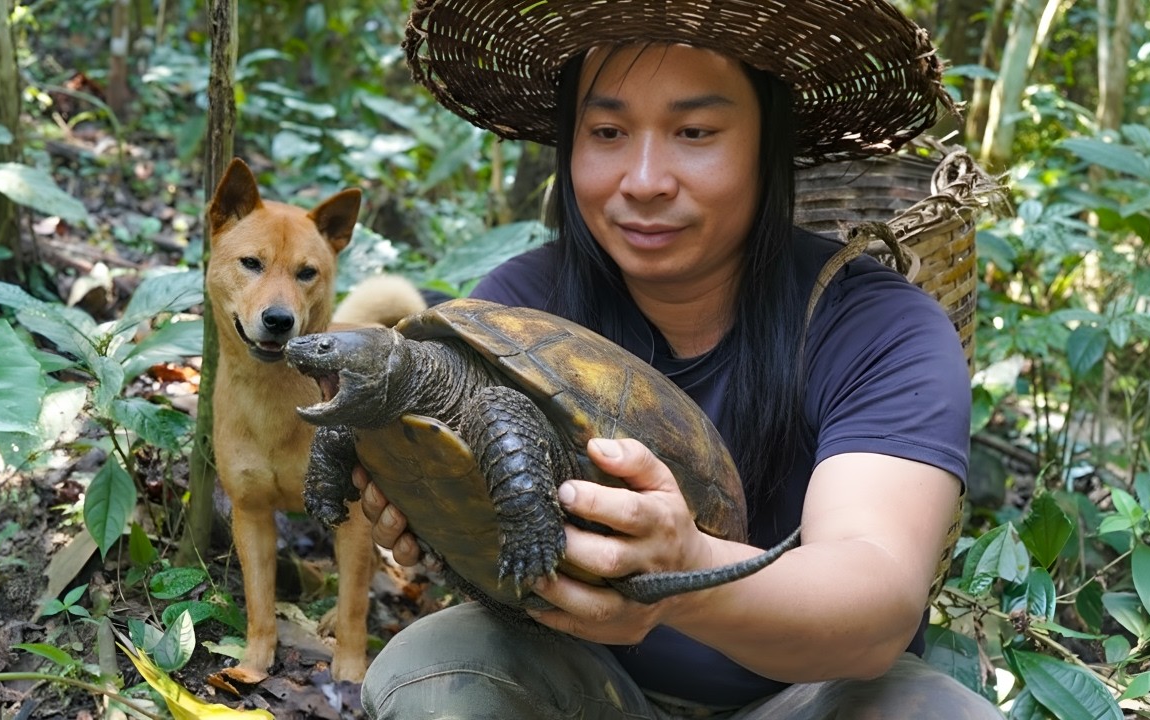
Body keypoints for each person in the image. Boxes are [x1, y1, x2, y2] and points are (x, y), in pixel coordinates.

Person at [350, 0, 1002, 717]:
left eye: (694, 131)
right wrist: (427, 503)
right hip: (579, 685)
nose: (644, 179)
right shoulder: (516, 310)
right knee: (433, 666)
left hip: (808, 698)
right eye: (607, 131)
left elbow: (877, 599)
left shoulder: (878, 327)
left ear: (766, 143)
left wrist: (687, 573)